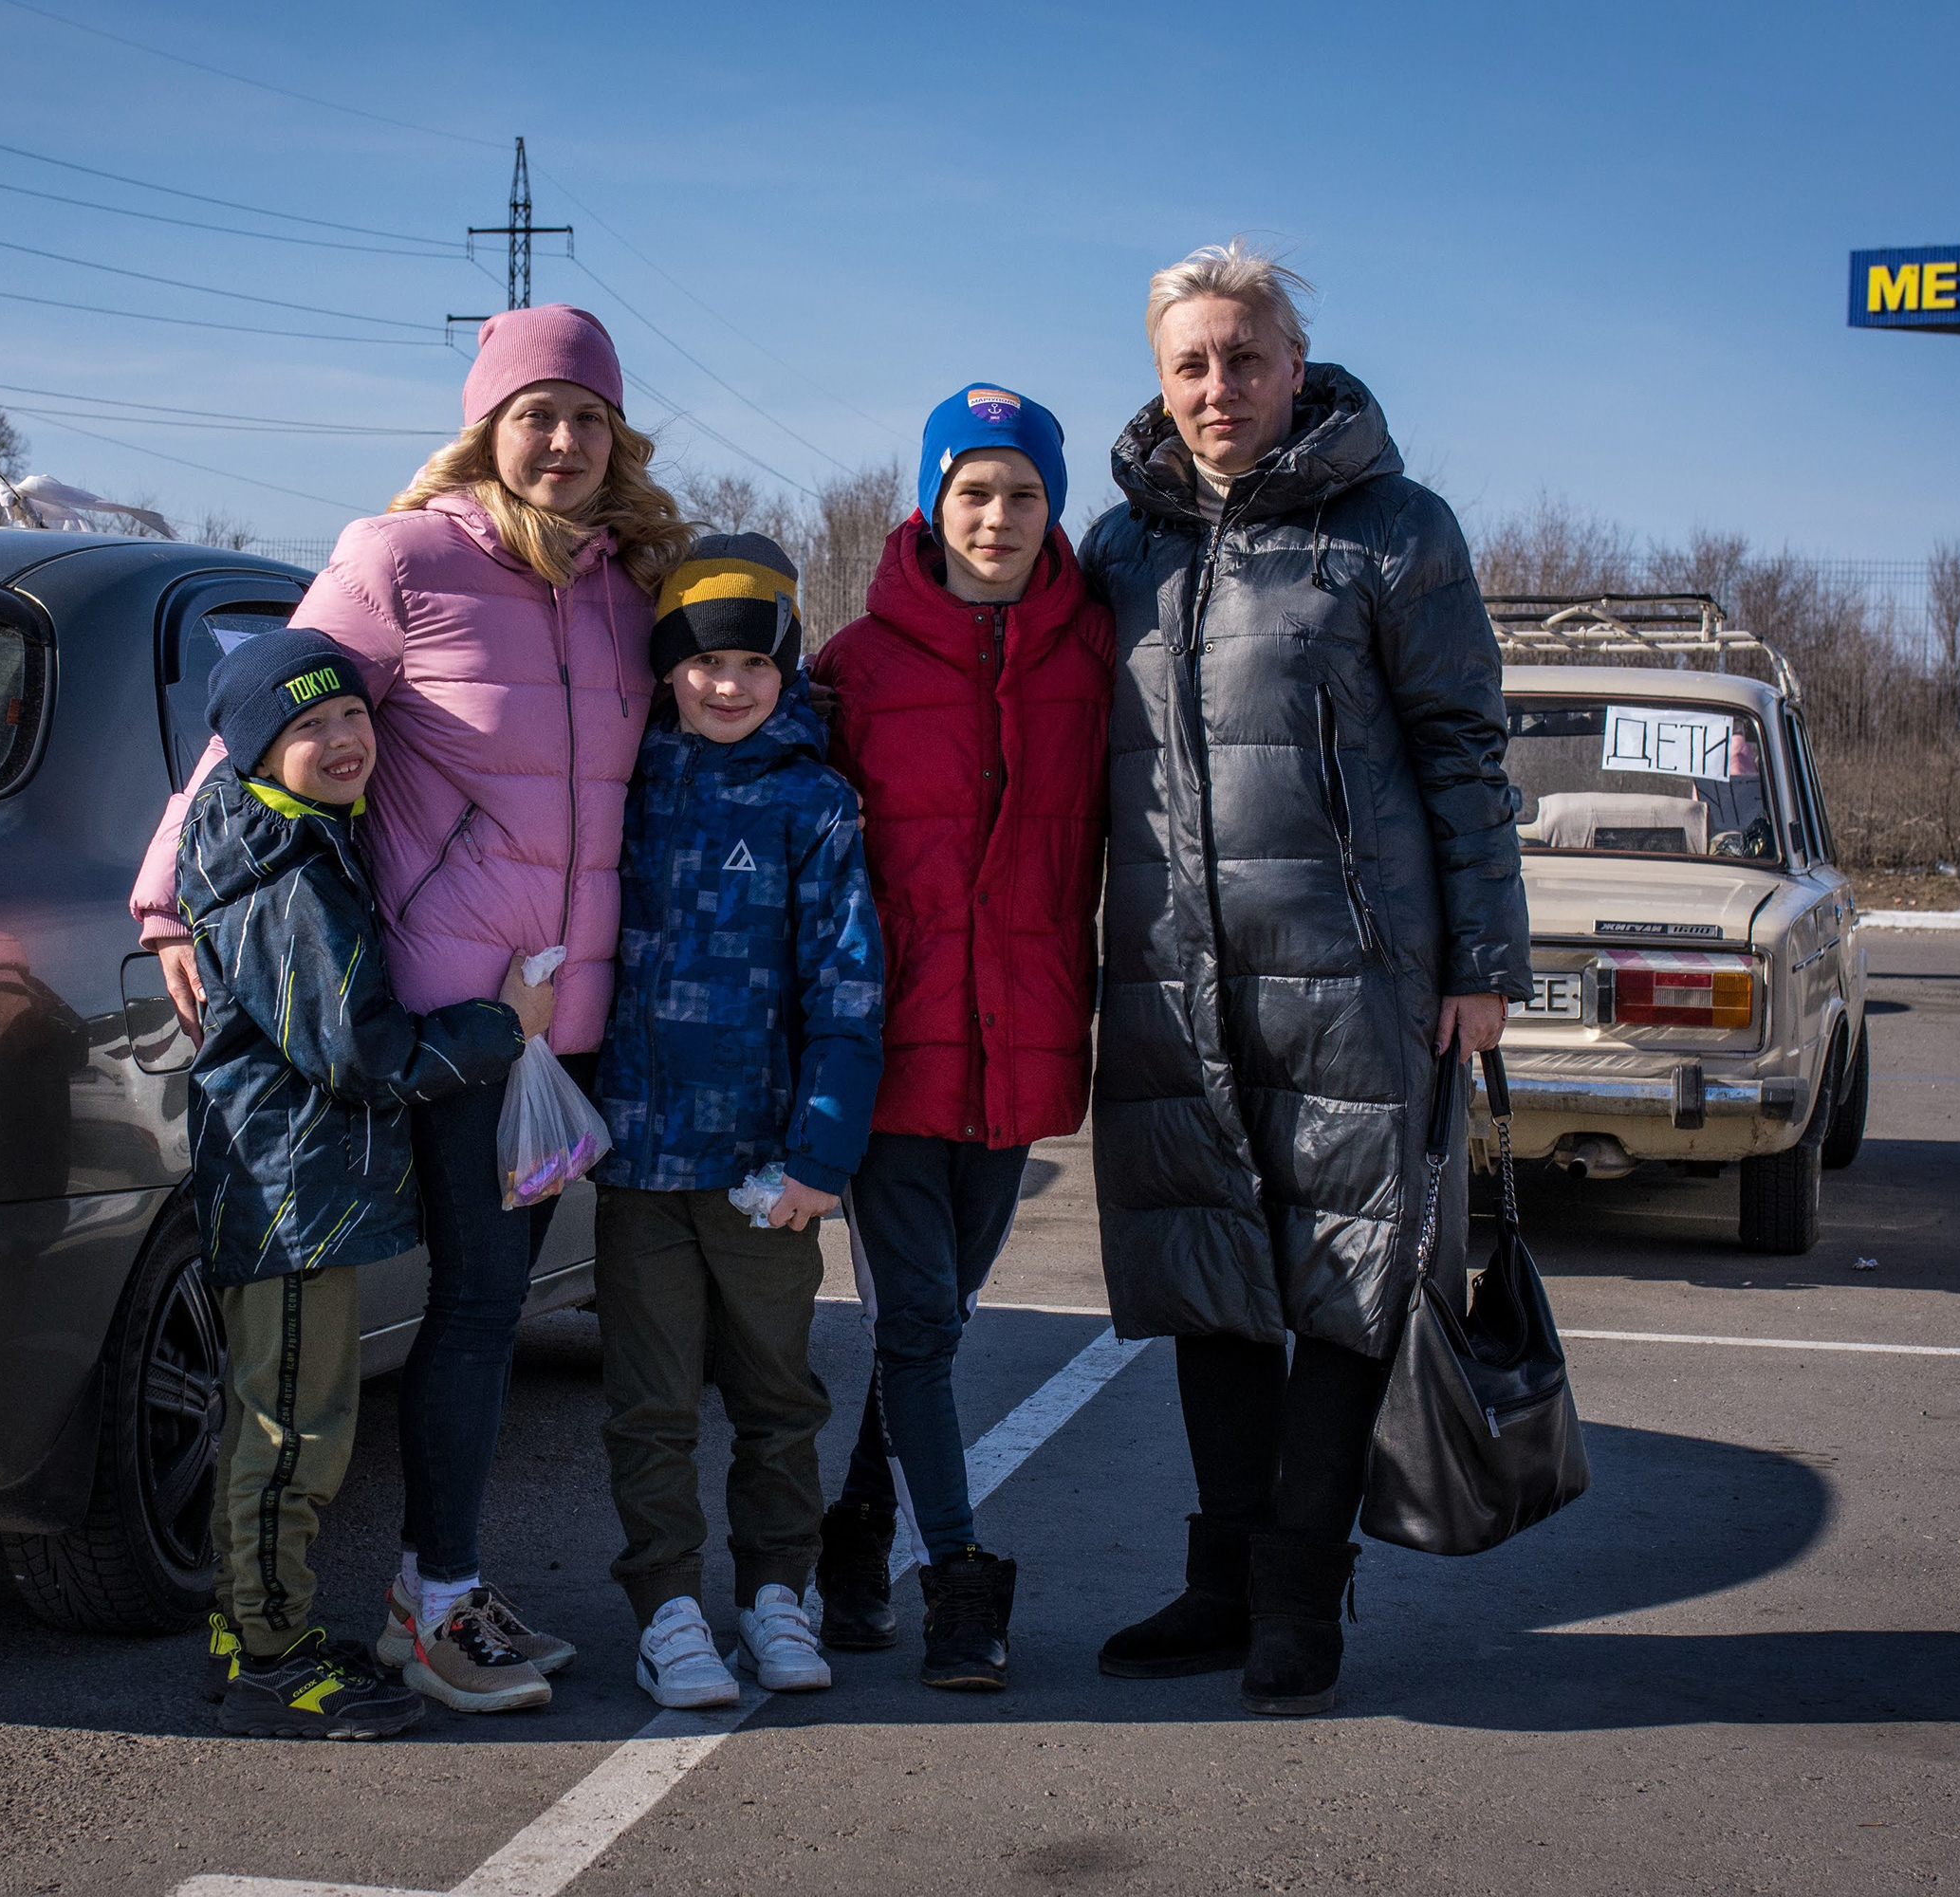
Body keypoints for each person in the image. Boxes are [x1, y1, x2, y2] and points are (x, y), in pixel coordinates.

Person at [131, 305, 695, 1712]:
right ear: (485, 429)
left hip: (567, 1017)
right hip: (452, 1015)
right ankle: (431, 1598)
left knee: (499, 1310)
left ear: (614, 431)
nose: (560, 442)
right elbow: (248, 727)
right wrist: (164, 899)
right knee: (479, 1307)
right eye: (533, 415)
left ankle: (436, 1586)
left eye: (584, 416)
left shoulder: (634, 582)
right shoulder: (402, 559)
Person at [1082, 241, 1531, 1715]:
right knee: (1210, 1278)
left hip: (1353, 976)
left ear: (1294, 365)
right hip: (1168, 973)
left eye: (1244, 357)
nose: (1219, 388)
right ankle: (1218, 1586)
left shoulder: (1393, 531)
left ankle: (1297, 1598)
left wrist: (1480, 962)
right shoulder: (1119, 546)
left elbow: (1463, 750)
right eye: (1190, 363)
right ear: (1160, 379)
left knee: (1341, 1283)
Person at [178, 631, 555, 1738]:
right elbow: (359, 1052)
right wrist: (501, 1026)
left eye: (351, 715)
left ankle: (249, 1627)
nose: (343, 740)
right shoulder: (281, 866)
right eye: (307, 727)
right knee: (291, 1427)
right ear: (255, 748)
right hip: (291, 1188)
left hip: (300, 1183)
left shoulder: (296, 836)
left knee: (288, 1420)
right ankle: (269, 1660)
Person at [807, 385, 1113, 1690]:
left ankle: (855, 1528)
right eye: (971, 490)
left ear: (1054, 508)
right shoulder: (853, 667)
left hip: (1026, 1041)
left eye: (1022, 493)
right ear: (929, 501)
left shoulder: (1096, 653)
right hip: (885, 1050)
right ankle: (958, 1583)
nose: (995, 516)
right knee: (921, 1327)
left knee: (932, 1320)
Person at [589, 534, 884, 1710]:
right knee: (650, 1400)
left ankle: (777, 1589)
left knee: (776, 1393)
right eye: (703, 661)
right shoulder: (624, 784)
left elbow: (848, 991)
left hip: (766, 1167)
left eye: (753, 664)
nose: (727, 683)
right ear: (667, 667)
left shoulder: (815, 802)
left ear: (785, 669)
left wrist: (821, 1153)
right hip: (638, 1161)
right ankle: (665, 1604)